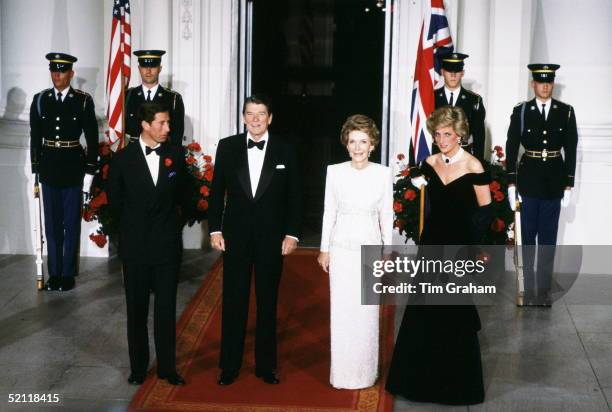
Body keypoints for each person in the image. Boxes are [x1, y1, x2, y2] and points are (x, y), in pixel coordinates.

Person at [386, 106, 491, 405]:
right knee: (424, 310)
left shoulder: (474, 166)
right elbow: (423, 204)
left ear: (459, 135)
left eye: (447, 134)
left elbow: (484, 212)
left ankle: (457, 387)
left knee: (453, 312)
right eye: (437, 134)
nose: (442, 140)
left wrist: (474, 248)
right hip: (432, 243)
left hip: (458, 245)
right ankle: (418, 383)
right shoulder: (428, 163)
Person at [208, 94, 301, 386]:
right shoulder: (228, 146)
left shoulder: (285, 149)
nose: (256, 119)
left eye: (261, 114)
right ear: (244, 117)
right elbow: (215, 193)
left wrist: (292, 233)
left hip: (272, 239)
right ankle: (230, 366)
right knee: (234, 301)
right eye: (251, 114)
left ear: (270, 117)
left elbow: (295, 197)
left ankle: (266, 366)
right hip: (235, 237)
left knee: (267, 303)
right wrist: (215, 230)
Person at [108, 102, 188, 386]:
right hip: (135, 248)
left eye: (168, 123)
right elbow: (114, 206)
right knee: (136, 310)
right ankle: (138, 368)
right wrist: (126, 239)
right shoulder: (122, 159)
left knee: (166, 310)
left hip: (167, 247)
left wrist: (172, 229)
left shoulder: (176, 155)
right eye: (162, 123)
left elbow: (186, 198)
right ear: (145, 125)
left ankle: (167, 368)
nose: (168, 128)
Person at [317, 115, 393, 389]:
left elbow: (387, 214)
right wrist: (324, 249)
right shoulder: (334, 171)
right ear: (346, 144)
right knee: (342, 312)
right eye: (352, 142)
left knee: (367, 313)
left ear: (372, 144)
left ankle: (365, 372)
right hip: (341, 248)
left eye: (363, 141)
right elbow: (329, 212)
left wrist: (386, 252)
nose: (358, 147)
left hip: (370, 247)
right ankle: (343, 374)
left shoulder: (383, 173)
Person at [506, 64, 578, 307]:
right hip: (528, 181)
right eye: (540, 81)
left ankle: (544, 290)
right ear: (533, 84)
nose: (545, 86)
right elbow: (511, 145)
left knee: (548, 238)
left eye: (548, 82)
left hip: (553, 182)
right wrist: (511, 183)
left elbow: (571, 147)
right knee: (527, 238)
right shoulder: (521, 111)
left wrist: (569, 184)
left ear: (553, 84)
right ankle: (526, 287)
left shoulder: (565, 112)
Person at [29, 52, 98, 292]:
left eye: (62, 71)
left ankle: (67, 274)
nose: (57, 75)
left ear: (71, 73)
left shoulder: (83, 100)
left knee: (71, 224)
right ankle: (54, 273)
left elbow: (92, 137)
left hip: (72, 168)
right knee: (52, 224)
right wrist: (35, 168)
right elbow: (35, 137)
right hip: (49, 168)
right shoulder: (40, 99)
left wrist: (90, 172)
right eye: (53, 71)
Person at [125, 50, 185, 146]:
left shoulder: (173, 98)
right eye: (144, 67)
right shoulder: (127, 95)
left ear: (160, 68)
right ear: (139, 68)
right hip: (133, 154)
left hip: (162, 154)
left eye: (153, 66)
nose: (148, 71)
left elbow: (177, 135)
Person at [433, 52, 486, 159]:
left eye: (457, 71)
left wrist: (478, 165)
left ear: (462, 73)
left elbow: (479, 137)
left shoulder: (474, 100)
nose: (453, 75)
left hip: (463, 157)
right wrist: (413, 164)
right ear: (442, 72)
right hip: (436, 157)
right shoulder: (432, 98)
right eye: (449, 71)